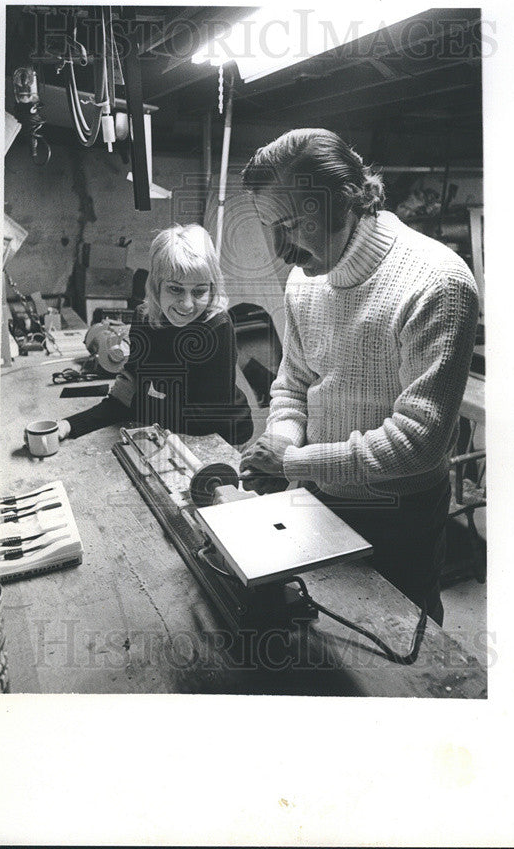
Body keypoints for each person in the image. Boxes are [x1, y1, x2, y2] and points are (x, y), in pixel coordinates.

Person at [238, 129, 479, 625]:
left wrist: (297, 461)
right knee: (324, 633)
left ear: (344, 200)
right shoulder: (303, 284)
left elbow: (420, 440)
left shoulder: (438, 281)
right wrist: (280, 445)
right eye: (269, 227)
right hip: (318, 496)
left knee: (406, 649)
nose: (281, 250)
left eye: (288, 225)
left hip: (401, 514)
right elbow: (294, 384)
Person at [58, 224, 253, 447]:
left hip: (224, 434)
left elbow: (207, 417)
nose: (187, 304)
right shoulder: (144, 318)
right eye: (175, 289)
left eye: (199, 291)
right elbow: (125, 394)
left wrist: (139, 401)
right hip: (170, 427)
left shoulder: (217, 326)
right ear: (156, 286)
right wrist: (69, 425)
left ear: (212, 287)